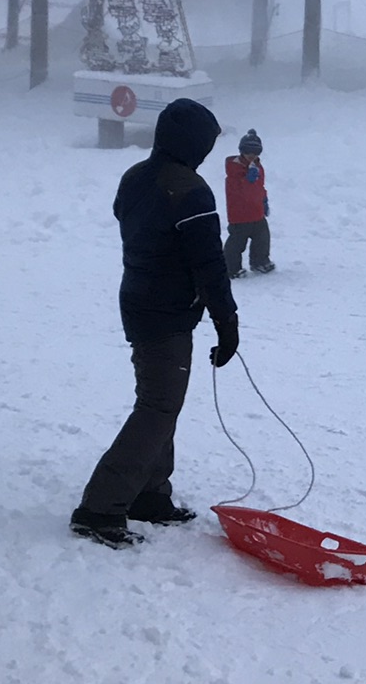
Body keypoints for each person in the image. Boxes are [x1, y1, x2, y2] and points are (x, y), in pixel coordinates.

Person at [70, 97, 240, 549]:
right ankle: (99, 508)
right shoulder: (189, 190)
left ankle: (149, 494)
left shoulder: (135, 177)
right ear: (191, 143)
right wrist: (228, 322)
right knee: (158, 406)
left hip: (140, 301)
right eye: (205, 143)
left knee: (162, 401)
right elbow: (209, 264)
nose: (207, 152)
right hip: (164, 314)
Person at [224, 127, 275, 277]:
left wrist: (264, 199)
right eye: (248, 153)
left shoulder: (258, 167)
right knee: (237, 243)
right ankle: (231, 268)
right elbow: (237, 190)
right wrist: (247, 179)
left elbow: (260, 186)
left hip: (256, 211)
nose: (251, 156)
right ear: (242, 151)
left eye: (255, 153)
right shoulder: (233, 169)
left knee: (262, 238)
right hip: (240, 214)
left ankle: (260, 262)